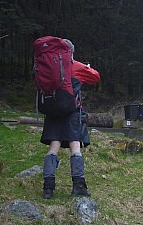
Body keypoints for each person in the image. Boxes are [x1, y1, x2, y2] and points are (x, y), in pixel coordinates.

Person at [40, 39, 100, 199]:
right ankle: (79, 185)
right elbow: (96, 77)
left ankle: (48, 188)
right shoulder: (77, 66)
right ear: (71, 52)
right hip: (73, 112)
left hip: (53, 111)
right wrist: (88, 68)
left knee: (53, 147)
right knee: (75, 147)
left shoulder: (49, 66)